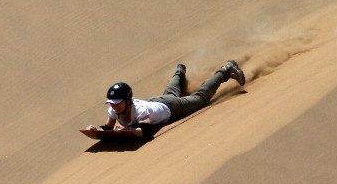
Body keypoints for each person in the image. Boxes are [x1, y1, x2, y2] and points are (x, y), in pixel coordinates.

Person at [84, 60, 245, 140]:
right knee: (171, 92)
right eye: (111, 102)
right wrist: (96, 130)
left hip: (171, 108)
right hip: (155, 101)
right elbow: (108, 128)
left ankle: (225, 70)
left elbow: (145, 132)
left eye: (117, 102)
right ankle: (179, 73)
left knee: (200, 98)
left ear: (127, 101)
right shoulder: (114, 109)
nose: (114, 105)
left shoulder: (140, 111)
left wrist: (128, 131)